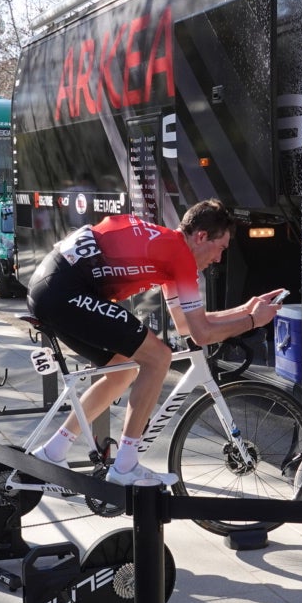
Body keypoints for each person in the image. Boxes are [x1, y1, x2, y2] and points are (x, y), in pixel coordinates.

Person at [25, 199, 285, 485]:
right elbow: (201, 335)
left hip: (53, 286)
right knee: (158, 357)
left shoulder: (169, 250)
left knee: (123, 370)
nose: (219, 259)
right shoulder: (179, 257)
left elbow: (188, 324)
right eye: (221, 248)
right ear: (201, 237)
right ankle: (125, 467)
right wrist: (252, 322)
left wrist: (245, 309)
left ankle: (54, 450)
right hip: (63, 288)